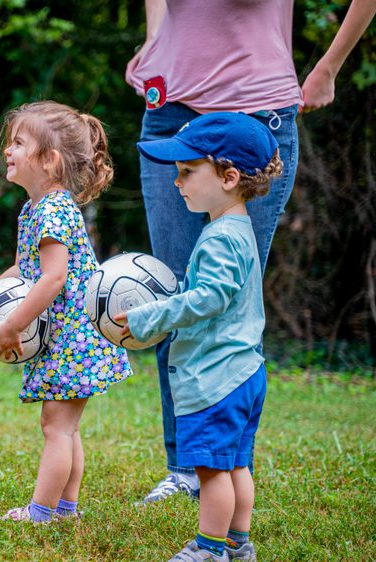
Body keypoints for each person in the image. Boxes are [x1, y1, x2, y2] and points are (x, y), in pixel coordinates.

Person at [124, 0, 376, 503]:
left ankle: (226, 471)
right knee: (172, 295)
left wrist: (328, 66)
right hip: (168, 109)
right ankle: (185, 469)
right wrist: (156, 40)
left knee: (230, 304)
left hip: (255, 117)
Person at [115, 112, 283, 561]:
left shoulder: (219, 239)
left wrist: (150, 317)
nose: (178, 183)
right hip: (244, 373)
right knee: (236, 465)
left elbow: (209, 298)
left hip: (216, 378)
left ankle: (208, 549)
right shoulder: (237, 229)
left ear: (229, 177)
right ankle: (237, 543)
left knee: (211, 473)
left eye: (188, 172)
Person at [0, 101, 134, 523]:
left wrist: (12, 324)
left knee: (56, 428)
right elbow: (26, 269)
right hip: (73, 338)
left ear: (49, 160)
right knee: (65, 428)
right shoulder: (36, 208)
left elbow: (53, 279)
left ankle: (41, 512)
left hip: (71, 339)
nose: (8, 150)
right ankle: (64, 509)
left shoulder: (54, 210)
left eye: (19, 142)